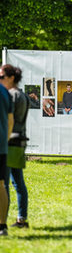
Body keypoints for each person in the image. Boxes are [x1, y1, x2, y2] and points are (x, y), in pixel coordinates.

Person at [1, 64, 30, 229]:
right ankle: (21, 219)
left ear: (11, 77)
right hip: (18, 141)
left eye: (2, 76)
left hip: (10, 142)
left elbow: (8, 119)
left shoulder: (11, 95)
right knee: (17, 182)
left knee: (4, 183)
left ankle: (2, 221)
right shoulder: (22, 95)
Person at [0, 67, 14, 236]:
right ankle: (2, 226)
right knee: (1, 185)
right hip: (2, 145)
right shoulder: (5, 93)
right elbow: (11, 121)